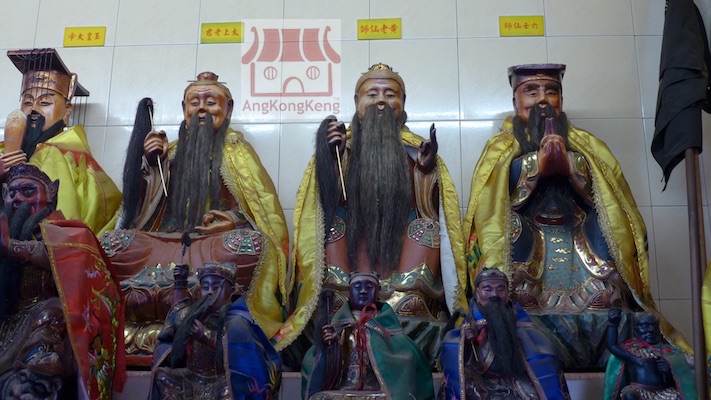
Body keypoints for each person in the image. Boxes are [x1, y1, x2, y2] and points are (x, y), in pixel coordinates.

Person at [462, 63, 689, 367]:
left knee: (608, 281)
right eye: (532, 92)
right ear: (516, 102)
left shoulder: (587, 144)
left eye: (551, 91)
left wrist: (571, 166)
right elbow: (490, 204)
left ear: (561, 99)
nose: (543, 100)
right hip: (531, 243)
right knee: (514, 277)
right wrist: (535, 165)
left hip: (578, 240)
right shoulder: (500, 148)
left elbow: (610, 197)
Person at [282, 63, 467, 364]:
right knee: (331, 231)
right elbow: (320, 206)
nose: (381, 101)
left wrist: (426, 172)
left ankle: (402, 303)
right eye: (372, 94)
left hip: (401, 246)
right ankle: (346, 303)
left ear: (403, 102)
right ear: (357, 102)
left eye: (390, 94)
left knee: (427, 230)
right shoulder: (341, 146)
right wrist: (330, 158)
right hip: (352, 246)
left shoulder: (416, 149)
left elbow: (432, 210)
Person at [101, 72, 289, 356]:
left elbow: (262, 212)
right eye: (194, 102)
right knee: (111, 244)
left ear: (228, 109)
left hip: (212, 249)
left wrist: (234, 221)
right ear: (184, 109)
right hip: (163, 246)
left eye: (210, 102)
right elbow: (137, 215)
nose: (202, 108)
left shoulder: (238, 153)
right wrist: (151, 167)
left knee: (249, 245)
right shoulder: (170, 153)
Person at [0, 163, 125, 400]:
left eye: (28, 191)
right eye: (12, 192)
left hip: (43, 323)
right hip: (6, 324)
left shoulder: (69, 233)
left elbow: (65, 258)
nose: (17, 198)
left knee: (54, 310)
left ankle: (37, 371)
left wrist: (11, 247)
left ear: (50, 193)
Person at [0, 48, 121, 236]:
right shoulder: (4, 151)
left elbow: (63, 222)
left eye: (44, 103)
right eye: (27, 102)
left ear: (67, 110)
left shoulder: (62, 156)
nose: (34, 110)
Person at [150, 262, 281, 400]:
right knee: (162, 376)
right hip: (191, 376)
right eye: (205, 287)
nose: (210, 292)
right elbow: (178, 311)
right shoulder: (193, 315)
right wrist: (180, 282)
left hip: (220, 381)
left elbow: (242, 358)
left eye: (216, 287)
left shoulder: (237, 321)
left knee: (233, 390)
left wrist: (206, 336)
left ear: (231, 291)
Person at [440, 267, 570, 399]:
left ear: (508, 293)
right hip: (481, 380)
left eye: (500, 289)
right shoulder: (470, 321)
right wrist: (465, 341)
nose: (494, 295)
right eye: (487, 290)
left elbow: (542, 353)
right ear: (477, 293)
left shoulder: (519, 320)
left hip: (516, 378)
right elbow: (452, 351)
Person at [301, 271, 434, 400]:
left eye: (369, 287)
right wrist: (330, 346)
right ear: (349, 292)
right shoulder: (339, 328)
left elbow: (405, 358)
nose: (363, 291)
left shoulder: (385, 327)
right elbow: (317, 362)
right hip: (344, 389)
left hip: (378, 392)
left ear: (378, 291)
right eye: (357, 287)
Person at [603, 309, 696, 400]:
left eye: (653, 325)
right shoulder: (633, 351)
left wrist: (669, 369)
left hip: (664, 392)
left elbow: (680, 377)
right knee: (629, 395)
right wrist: (613, 324)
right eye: (645, 325)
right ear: (635, 328)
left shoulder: (669, 351)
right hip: (638, 390)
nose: (650, 330)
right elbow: (612, 346)